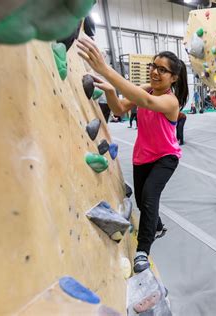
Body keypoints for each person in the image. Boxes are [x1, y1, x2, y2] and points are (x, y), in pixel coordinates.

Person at [77, 38, 188, 273]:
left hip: (166, 157)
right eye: (153, 66)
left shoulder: (170, 100)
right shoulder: (147, 89)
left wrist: (105, 70)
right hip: (143, 156)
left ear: (173, 78)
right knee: (141, 201)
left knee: (149, 196)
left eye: (162, 69)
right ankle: (156, 225)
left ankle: (143, 251)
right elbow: (118, 109)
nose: (155, 72)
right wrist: (109, 90)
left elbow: (146, 101)